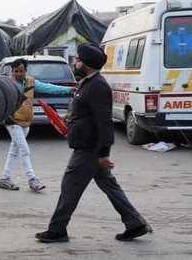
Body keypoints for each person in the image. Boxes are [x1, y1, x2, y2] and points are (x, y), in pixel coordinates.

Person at [35, 44, 151, 243]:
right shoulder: (87, 83)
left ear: (87, 65)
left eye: (78, 60)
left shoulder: (97, 86)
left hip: (90, 149)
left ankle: (57, 230)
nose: (74, 62)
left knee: (69, 187)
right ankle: (135, 224)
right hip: (88, 146)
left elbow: (104, 121)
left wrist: (104, 152)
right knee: (110, 186)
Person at [0, 58, 76, 192]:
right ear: (12, 71)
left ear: (25, 71)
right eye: (15, 71)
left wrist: (68, 90)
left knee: (14, 151)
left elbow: (49, 88)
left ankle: (5, 178)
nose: (18, 74)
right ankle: (32, 179)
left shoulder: (30, 82)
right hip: (13, 121)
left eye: (21, 71)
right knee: (24, 150)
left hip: (26, 121)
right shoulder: (8, 84)